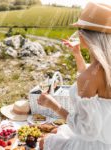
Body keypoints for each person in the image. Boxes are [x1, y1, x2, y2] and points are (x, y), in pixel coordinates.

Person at [38, 2, 111, 150]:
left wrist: (53, 105)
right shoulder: (102, 68)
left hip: (94, 143)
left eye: (79, 29)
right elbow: (91, 81)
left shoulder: (91, 74)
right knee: (55, 131)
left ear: (86, 34)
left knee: (43, 142)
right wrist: (77, 55)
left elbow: (86, 130)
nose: (78, 33)